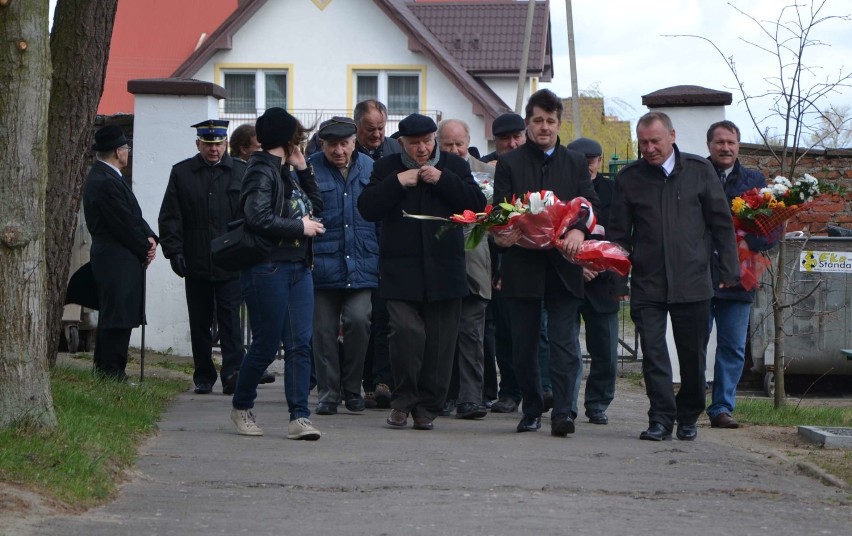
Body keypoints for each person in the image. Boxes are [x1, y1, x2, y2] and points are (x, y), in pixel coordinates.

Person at [608, 111, 739, 442]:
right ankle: (661, 418)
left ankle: (689, 414)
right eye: (643, 142)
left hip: (693, 281)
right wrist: (617, 279)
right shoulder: (629, 178)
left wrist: (728, 268)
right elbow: (619, 235)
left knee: (693, 359)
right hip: (648, 282)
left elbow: (721, 223)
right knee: (653, 355)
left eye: (655, 141)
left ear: (672, 136)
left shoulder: (699, 170)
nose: (649, 148)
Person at [358, 113, 486, 431]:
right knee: (405, 333)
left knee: (441, 344)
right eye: (415, 144)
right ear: (401, 143)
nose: (422, 149)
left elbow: (476, 205)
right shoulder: (386, 167)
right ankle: (403, 401)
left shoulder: (455, 166)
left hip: (445, 270)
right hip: (401, 271)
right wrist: (398, 183)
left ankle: (428, 407)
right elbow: (367, 207)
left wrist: (442, 180)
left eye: (428, 142)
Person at [492, 89, 599, 437]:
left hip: (563, 264)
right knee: (523, 344)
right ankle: (533, 408)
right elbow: (501, 210)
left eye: (550, 121)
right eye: (537, 120)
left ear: (559, 123)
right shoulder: (509, 163)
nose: (544, 127)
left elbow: (589, 205)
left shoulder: (574, 162)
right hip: (522, 263)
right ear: (527, 123)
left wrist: (580, 232)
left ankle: (564, 412)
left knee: (564, 342)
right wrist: (501, 233)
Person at [229, 107, 326, 440]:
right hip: (267, 267)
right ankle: (241, 407)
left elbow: (317, 208)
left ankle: (299, 417)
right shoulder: (261, 171)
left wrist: (304, 168)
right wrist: (299, 225)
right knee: (266, 345)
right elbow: (257, 217)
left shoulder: (287, 171)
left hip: (299, 266)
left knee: (300, 344)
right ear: (289, 139)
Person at [158, 120, 246, 395]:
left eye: (218, 144)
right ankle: (204, 375)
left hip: (231, 261)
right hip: (196, 260)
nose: (214, 149)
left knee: (231, 320)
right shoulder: (182, 173)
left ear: (226, 144)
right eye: (208, 144)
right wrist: (174, 252)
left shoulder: (241, 173)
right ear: (198, 144)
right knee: (200, 321)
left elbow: (248, 217)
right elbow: (171, 217)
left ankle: (233, 372)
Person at [309, 116, 379, 415]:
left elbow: (379, 215)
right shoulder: (308, 168)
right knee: (323, 331)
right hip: (322, 265)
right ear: (322, 144)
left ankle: (352, 389)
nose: (339, 151)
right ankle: (328, 392)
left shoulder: (370, 168)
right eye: (332, 145)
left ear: (354, 143)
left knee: (359, 321)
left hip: (362, 263)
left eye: (344, 144)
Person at [706, 120, 771, 430]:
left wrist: (747, 243)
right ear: (710, 146)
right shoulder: (695, 174)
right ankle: (689, 401)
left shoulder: (754, 181)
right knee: (692, 344)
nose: (725, 147)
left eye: (730, 142)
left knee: (732, 347)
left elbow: (772, 230)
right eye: (719, 142)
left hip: (740, 279)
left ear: (738, 145)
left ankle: (721, 408)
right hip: (700, 277)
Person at [83, 125, 158, 380]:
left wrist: (150, 237)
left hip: (121, 255)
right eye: (126, 148)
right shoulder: (104, 180)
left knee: (119, 312)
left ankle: (108, 369)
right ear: (118, 151)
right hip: (116, 257)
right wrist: (144, 247)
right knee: (117, 315)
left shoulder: (109, 176)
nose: (128, 152)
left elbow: (133, 215)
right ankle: (112, 371)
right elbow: (123, 222)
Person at [437, 119, 492, 420]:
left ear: (469, 141)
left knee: (472, 334)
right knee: (444, 334)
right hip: (441, 265)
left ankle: (471, 398)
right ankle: (444, 394)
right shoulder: (432, 173)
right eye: (448, 145)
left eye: (460, 144)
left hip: (476, 264)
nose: (456, 150)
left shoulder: (488, 174)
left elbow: (500, 224)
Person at [566, 137, 621, 425]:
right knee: (566, 349)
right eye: (582, 162)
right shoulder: (560, 189)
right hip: (567, 277)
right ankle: (567, 405)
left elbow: (618, 232)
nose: (588, 167)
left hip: (603, 278)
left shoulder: (613, 191)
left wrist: (598, 264)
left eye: (593, 161)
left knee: (606, 351)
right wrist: (575, 265)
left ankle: (598, 403)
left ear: (600, 161)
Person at [354, 99, 400, 410]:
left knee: (384, 316)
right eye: (370, 129)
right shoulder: (345, 151)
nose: (377, 134)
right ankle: (366, 381)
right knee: (362, 319)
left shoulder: (397, 150)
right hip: (358, 247)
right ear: (357, 127)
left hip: (389, 246)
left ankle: (383, 381)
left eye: (382, 128)